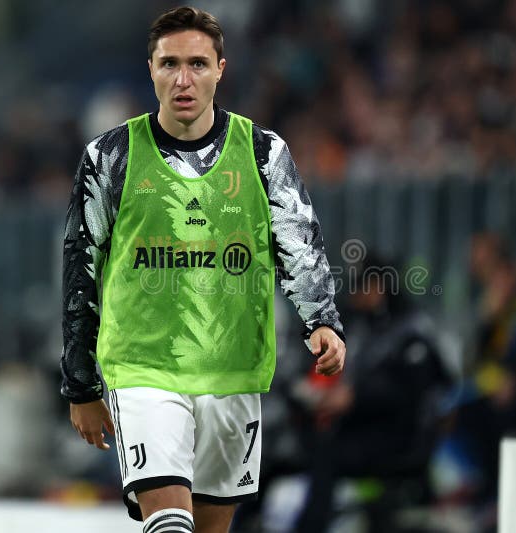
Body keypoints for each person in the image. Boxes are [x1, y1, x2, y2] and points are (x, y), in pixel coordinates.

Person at [60, 6, 346, 533]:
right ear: (150, 70)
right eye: (169, 64)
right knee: (169, 521)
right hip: (144, 369)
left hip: (233, 372)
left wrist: (321, 318)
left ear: (221, 69)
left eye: (197, 64)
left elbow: (298, 242)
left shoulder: (262, 153)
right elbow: (81, 268)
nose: (183, 79)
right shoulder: (110, 157)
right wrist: (81, 385)